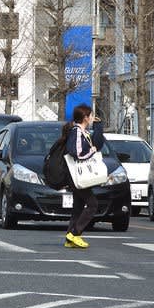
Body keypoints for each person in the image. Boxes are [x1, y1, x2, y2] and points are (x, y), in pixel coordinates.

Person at [62, 103, 104, 249]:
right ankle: (75, 233)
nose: (93, 118)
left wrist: (99, 127)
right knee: (93, 204)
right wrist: (92, 151)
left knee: (78, 207)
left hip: (77, 176)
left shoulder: (82, 132)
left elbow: (99, 143)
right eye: (91, 115)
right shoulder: (77, 132)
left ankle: (70, 239)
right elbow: (77, 152)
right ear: (85, 118)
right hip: (76, 176)